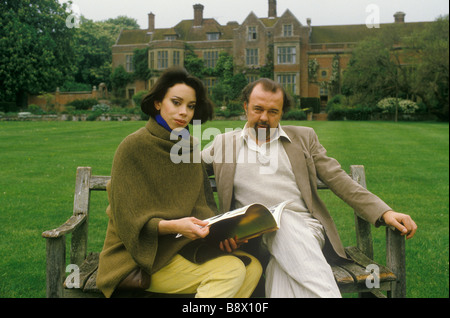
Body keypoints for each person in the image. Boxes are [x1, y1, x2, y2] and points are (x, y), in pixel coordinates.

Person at [202, 78, 417, 298]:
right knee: (281, 275)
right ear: (245, 106)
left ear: (282, 113)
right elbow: (188, 175)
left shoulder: (303, 138)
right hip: (252, 240)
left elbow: (338, 179)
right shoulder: (223, 144)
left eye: (273, 111)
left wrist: (385, 212)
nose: (264, 118)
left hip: (305, 231)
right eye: (258, 109)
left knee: (282, 219)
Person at [97, 67, 262, 298]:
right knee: (230, 270)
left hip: (183, 248)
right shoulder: (132, 147)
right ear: (157, 103)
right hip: (138, 257)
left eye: (191, 106)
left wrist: (222, 235)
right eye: (176, 102)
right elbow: (127, 220)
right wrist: (174, 226)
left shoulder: (189, 148)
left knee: (251, 266)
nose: (184, 112)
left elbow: (204, 207)